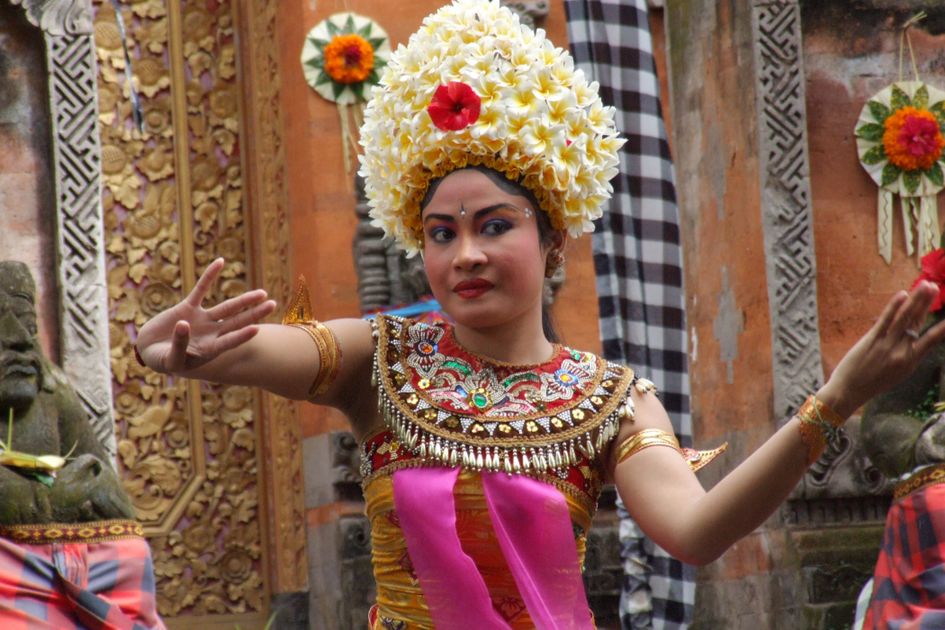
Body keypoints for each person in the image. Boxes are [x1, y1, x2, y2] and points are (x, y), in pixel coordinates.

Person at [134, 1, 945, 627]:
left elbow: (695, 531)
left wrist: (834, 400)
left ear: (553, 240)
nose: (464, 255)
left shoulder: (611, 398)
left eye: (493, 227)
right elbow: (222, 352)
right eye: (440, 234)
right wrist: (165, 345)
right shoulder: (377, 358)